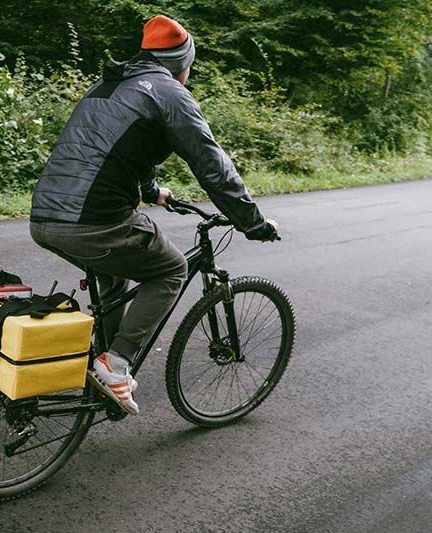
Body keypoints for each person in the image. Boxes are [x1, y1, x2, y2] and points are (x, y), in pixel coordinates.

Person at [29, 15, 278, 416]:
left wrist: (150, 192)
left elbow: (119, 147)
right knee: (170, 270)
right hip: (93, 222)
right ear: (183, 64)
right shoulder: (169, 93)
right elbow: (212, 166)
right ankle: (116, 364)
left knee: (115, 281)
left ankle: (101, 370)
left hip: (44, 216)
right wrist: (252, 222)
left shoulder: (111, 84)